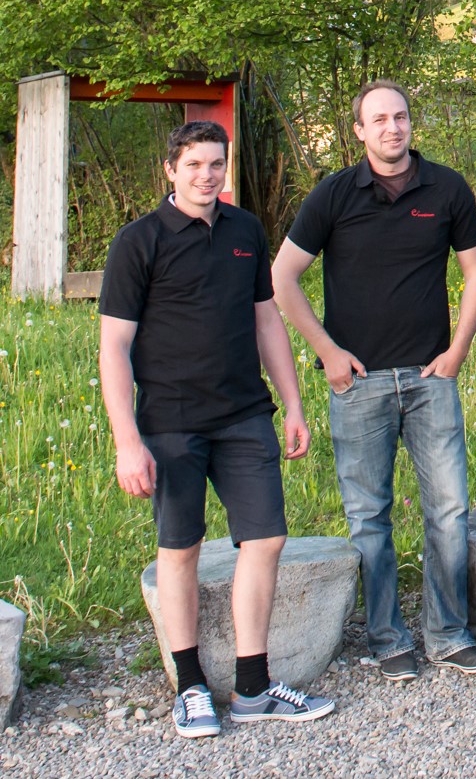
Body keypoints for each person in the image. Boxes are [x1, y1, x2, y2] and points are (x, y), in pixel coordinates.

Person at [100, 121, 334, 738]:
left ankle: (253, 688)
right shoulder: (139, 241)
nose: (207, 176)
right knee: (180, 550)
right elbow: (114, 346)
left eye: (216, 164)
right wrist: (127, 441)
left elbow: (266, 320)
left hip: (244, 416)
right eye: (194, 165)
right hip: (171, 424)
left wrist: (293, 404)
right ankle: (191, 688)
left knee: (266, 539)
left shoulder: (245, 231)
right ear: (170, 170)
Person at [272, 80, 476, 682]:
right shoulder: (333, 194)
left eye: (400, 117)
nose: (392, 128)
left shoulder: (447, 189)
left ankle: (448, 634)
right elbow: (282, 278)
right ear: (359, 131)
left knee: (449, 511)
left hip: (430, 379)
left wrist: (458, 349)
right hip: (359, 384)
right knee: (369, 517)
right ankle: (386, 637)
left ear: (410, 123)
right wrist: (327, 353)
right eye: (378, 120)